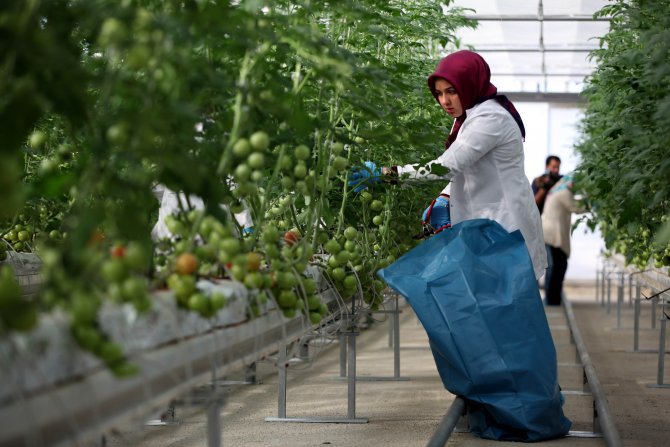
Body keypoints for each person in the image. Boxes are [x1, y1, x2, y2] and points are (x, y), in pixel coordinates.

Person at [355, 50, 546, 281]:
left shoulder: (490, 119)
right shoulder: (468, 117)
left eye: (451, 91)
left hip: (504, 225)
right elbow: (466, 166)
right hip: (487, 226)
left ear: (469, 84)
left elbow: (446, 166)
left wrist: (387, 174)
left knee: (506, 304)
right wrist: (446, 197)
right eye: (438, 93)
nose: (444, 101)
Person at [541, 173, 579, 305]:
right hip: (554, 235)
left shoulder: (556, 190)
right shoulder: (564, 192)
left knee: (554, 266)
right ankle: (552, 300)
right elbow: (577, 207)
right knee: (558, 266)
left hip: (548, 233)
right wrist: (594, 200)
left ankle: (552, 298)